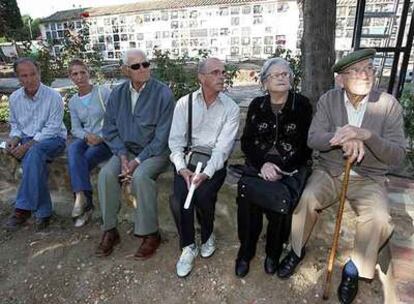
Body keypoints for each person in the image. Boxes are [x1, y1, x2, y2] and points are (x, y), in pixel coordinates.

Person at [277, 49, 406, 304]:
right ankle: (296, 249)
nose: (365, 75)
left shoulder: (388, 105)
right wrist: (342, 136)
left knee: (379, 217)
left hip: (370, 177)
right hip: (330, 171)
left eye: (369, 68)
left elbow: (397, 155)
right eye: (356, 71)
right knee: (308, 199)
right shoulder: (328, 100)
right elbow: (314, 139)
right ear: (341, 79)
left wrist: (366, 135)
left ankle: (354, 269)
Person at [234, 58, 313, 278]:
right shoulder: (257, 105)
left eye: (286, 74)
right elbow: (247, 142)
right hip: (260, 165)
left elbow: (306, 145)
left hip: (291, 167)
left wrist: (279, 167)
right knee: (247, 197)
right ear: (264, 82)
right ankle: (246, 251)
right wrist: (263, 165)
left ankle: (273, 252)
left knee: (282, 201)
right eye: (276, 75)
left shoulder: (302, 104)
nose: (282, 77)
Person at [95, 49, 175, 259]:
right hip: (126, 150)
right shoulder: (118, 94)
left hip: (156, 152)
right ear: (125, 70)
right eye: (136, 66)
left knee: (140, 176)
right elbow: (110, 129)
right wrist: (122, 157)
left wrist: (137, 162)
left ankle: (150, 233)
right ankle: (110, 229)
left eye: (146, 64)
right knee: (105, 175)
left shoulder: (163, 93)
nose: (143, 69)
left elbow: (162, 136)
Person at [169, 57, 240, 277]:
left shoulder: (231, 108)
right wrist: (182, 169)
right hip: (189, 160)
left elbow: (223, 149)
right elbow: (175, 142)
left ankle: (208, 235)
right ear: (201, 77)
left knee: (203, 195)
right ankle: (188, 246)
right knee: (178, 199)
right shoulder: (184, 103)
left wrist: (206, 174)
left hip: (213, 162)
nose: (221, 76)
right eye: (215, 72)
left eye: (223, 72)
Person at [4, 58, 67, 231]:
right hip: (28, 141)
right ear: (19, 78)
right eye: (24, 75)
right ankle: (43, 212)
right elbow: (16, 126)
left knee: (34, 152)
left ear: (39, 73)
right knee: (35, 160)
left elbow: (52, 128)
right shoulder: (15, 98)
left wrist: (26, 146)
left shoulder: (53, 96)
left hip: (53, 140)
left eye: (33, 74)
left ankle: (22, 208)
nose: (30, 79)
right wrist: (14, 140)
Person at [67, 59, 112, 227]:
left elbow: (113, 119)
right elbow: (75, 128)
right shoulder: (73, 101)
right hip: (86, 138)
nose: (79, 77)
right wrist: (87, 137)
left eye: (82, 72)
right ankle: (80, 196)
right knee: (73, 150)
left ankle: (86, 206)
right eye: (75, 74)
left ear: (88, 73)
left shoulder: (103, 92)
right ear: (70, 77)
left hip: (106, 140)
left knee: (83, 161)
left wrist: (100, 136)